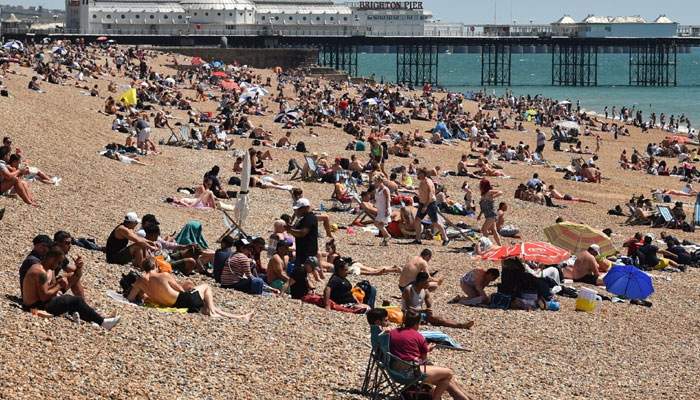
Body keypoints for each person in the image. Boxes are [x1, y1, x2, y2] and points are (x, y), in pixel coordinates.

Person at [22, 246, 121, 330]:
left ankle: (93, 319)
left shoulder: (44, 269)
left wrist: (77, 268)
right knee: (75, 300)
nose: (59, 266)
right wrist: (59, 285)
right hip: (33, 308)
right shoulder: (40, 272)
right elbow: (44, 296)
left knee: (71, 302)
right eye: (59, 262)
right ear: (51, 259)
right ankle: (103, 323)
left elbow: (48, 289)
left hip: (39, 303)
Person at [127, 257, 253, 321]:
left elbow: (131, 298)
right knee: (206, 287)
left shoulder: (139, 282)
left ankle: (240, 317)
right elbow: (181, 290)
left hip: (172, 304)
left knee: (207, 307)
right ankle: (212, 312)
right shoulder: (164, 275)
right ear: (155, 265)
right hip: (181, 301)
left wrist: (145, 297)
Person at [390, 310, 477, 400]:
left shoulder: (393, 332)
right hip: (410, 373)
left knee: (448, 381)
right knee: (448, 374)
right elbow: (425, 361)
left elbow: (404, 352)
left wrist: (425, 349)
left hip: (394, 371)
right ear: (417, 323)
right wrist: (427, 351)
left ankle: (471, 398)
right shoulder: (418, 336)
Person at [401, 272, 474, 330]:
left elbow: (429, 304)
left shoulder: (425, 290)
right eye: (426, 282)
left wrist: (429, 310)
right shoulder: (409, 290)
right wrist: (423, 311)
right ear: (420, 282)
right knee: (438, 320)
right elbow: (408, 308)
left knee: (438, 320)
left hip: (419, 313)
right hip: (408, 315)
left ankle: (459, 325)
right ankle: (460, 325)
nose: (428, 284)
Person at [286, 198, 321, 280]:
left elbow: (302, 233)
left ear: (305, 208)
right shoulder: (304, 218)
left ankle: (306, 285)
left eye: (299, 209)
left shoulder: (309, 218)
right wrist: (291, 228)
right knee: (303, 270)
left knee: (302, 270)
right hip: (302, 249)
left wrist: (290, 230)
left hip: (306, 250)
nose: (298, 211)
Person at [411, 168, 449, 246]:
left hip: (430, 204)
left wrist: (425, 206)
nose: (417, 175)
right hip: (422, 203)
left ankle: (446, 238)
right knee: (417, 220)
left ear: (422, 174)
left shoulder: (428, 182)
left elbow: (430, 195)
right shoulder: (422, 182)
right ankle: (418, 239)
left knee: (435, 223)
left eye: (418, 174)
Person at [52, 231, 86, 299]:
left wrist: (79, 266)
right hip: (41, 288)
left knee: (73, 276)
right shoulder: (50, 257)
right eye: (67, 243)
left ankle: (84, 305)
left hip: (50, 284)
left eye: (71, 243)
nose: (70, 245)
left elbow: (77, 275)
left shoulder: (62, 257)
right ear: (58, 243)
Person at [477, 179, 502, 246]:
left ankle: (487, 245)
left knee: (484, 229)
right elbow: (483, 207)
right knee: (494, 231)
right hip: (487, 215)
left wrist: (493, 197)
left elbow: (500, 192)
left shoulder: (489, 192)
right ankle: (500, 245)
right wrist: (479, 215)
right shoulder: (483, 195)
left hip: (492, 214)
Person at [374, 175, 392, 246]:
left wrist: (387, 209)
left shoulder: (385, 189)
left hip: (384, 209)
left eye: (376, 182)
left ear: (380, 181)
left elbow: (388, 200)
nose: (375, 183)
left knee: (376, 223)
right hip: (380, 209)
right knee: (381, 225)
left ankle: (387, 236)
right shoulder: (378, 189)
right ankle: (385, 241)